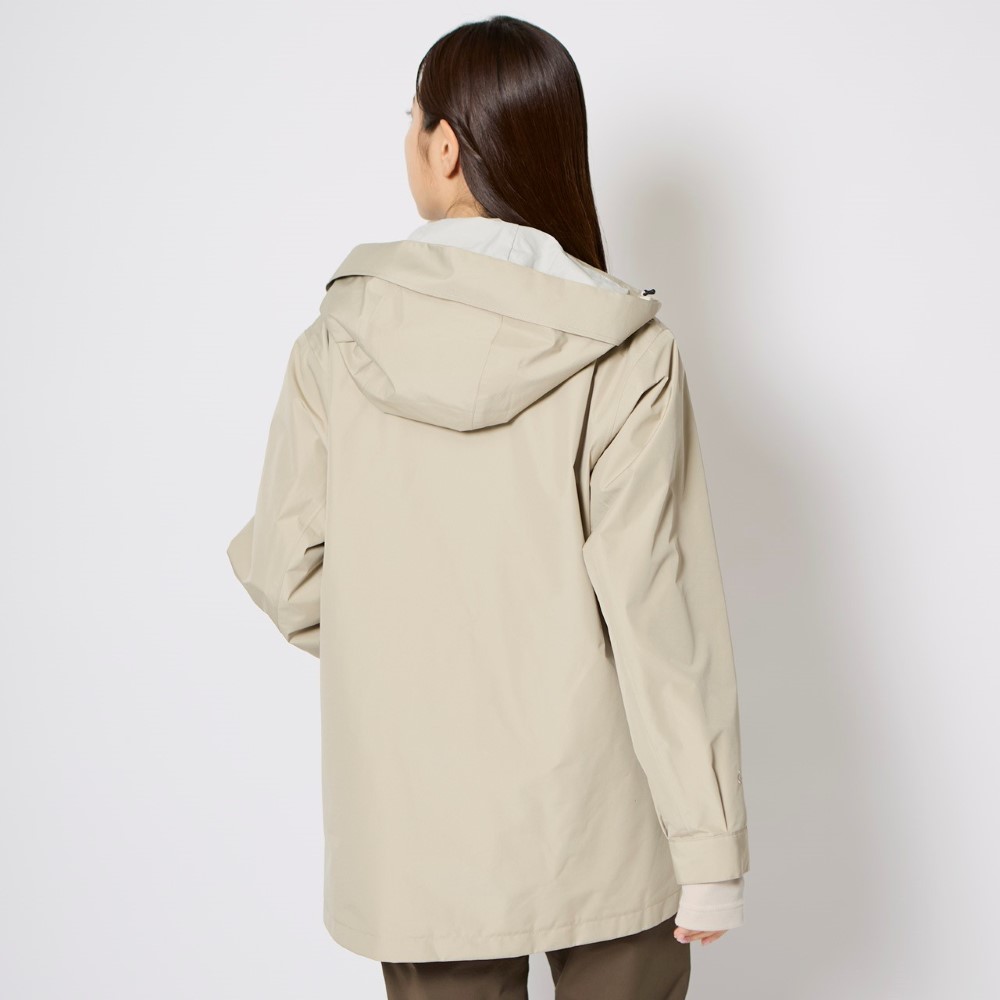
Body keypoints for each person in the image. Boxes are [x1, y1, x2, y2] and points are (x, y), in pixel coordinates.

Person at [227, 15, 750, 1000]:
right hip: (612, 822)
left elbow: (286, 572)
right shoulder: (626, 348)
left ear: (445, 147)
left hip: (423, 837)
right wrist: (709, 845)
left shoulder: (334, 343)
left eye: (410, 120)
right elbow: (661, 615)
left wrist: (410, 643)